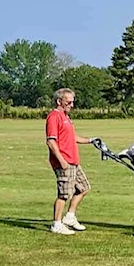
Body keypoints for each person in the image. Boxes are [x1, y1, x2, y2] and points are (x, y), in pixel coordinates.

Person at [46, 88, 95, 234]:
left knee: (84, 188)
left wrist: (90, 140)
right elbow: (51, 141)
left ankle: (69, 217)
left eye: (72, 102)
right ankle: (56, 224)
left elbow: (72, 137)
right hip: (64, 161)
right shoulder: (54, 117)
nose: (71, 105)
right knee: (64, 194)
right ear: (59, 101)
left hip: (73, 161)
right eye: (68, 102)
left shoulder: (66, 117)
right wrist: (61, 161)